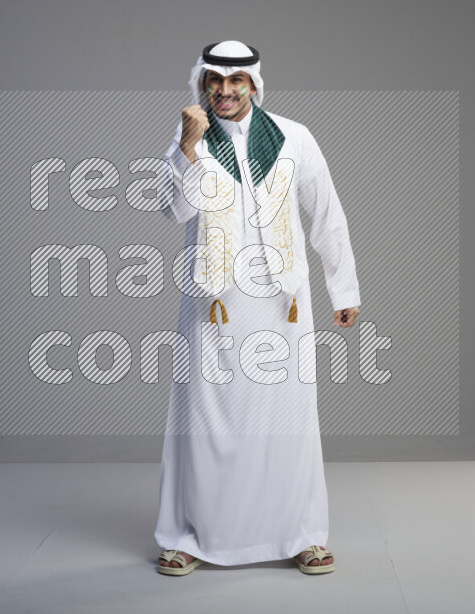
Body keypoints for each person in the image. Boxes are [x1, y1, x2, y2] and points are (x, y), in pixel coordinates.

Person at [154, 40, 361, 576]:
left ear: (253, 84)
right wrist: (188, 150)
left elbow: (326, 213)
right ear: (202, 83)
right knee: (204, 421)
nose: (224, 91)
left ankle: (302, 534)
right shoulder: (187, 139)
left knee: (288, 422)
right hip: (213, 305)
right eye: (215, 81)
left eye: (235, 81)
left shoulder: (295, 138)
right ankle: (189, 537)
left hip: (280, 304)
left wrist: (345, 290)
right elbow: (174, 209)